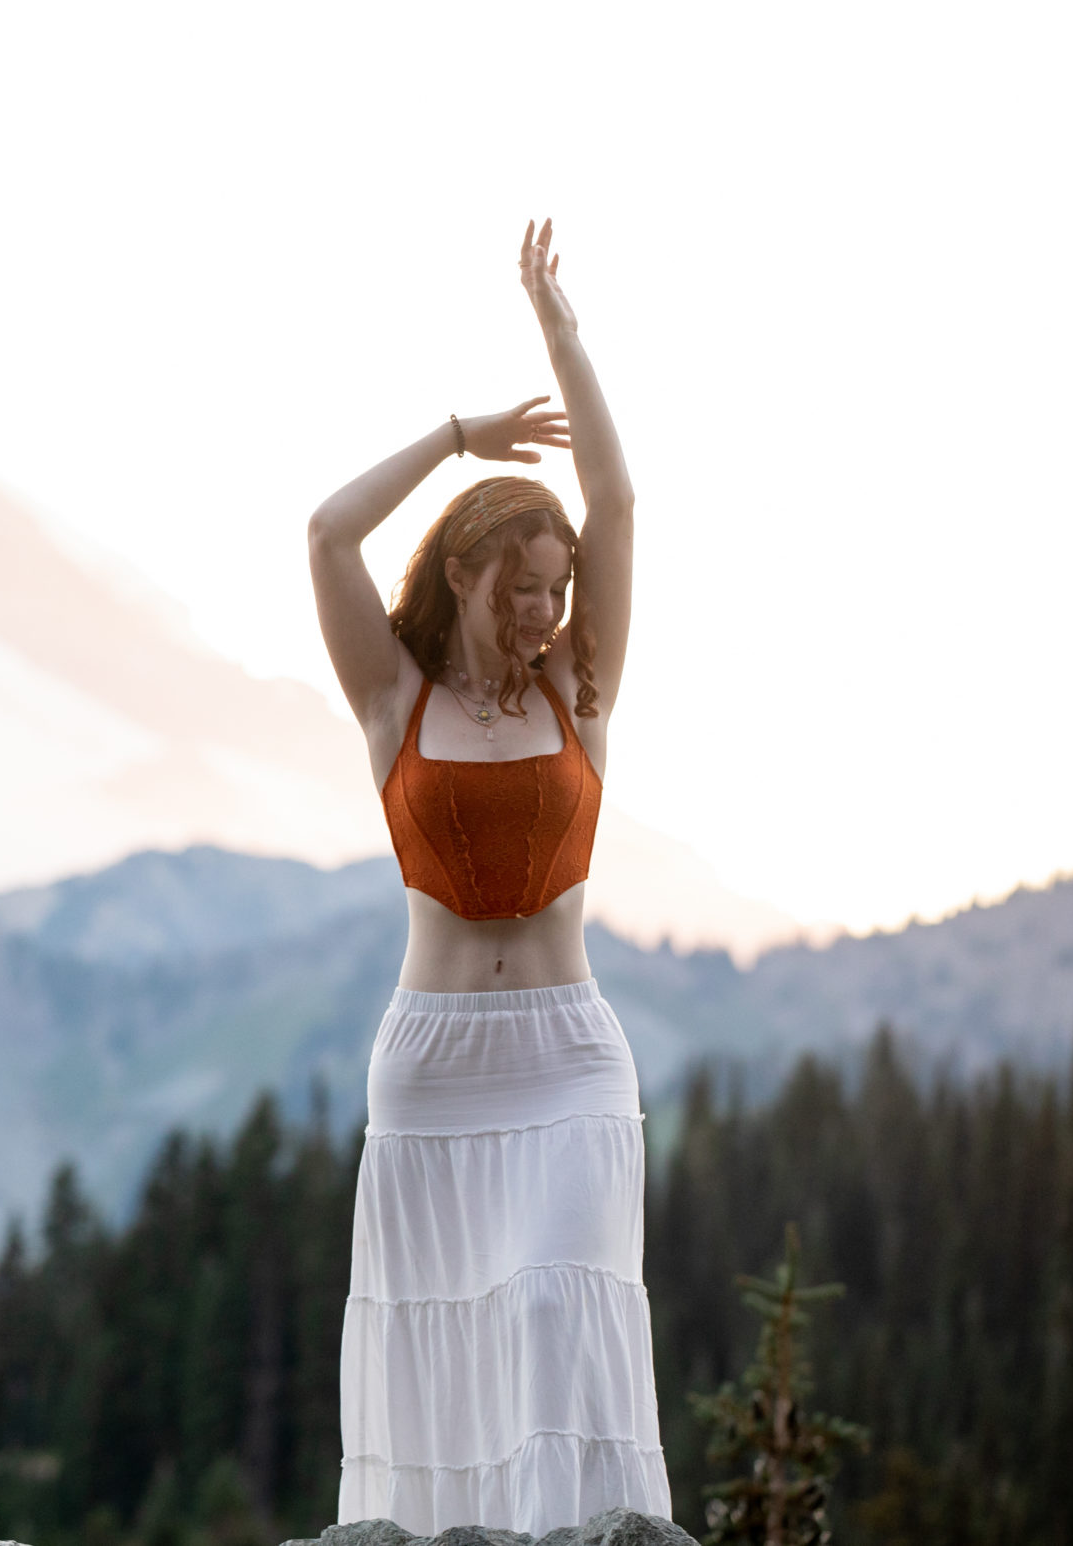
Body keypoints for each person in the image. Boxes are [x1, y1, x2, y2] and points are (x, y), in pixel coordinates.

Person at [304, 220, 667, 1534]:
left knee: (557, 1313)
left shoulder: (582, 689)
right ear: (465, 575)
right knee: (444, 1357)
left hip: (569, 1053)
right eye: (525, 588)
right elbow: (329, 531)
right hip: (434, 1061)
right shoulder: (394, 699)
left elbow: (620, 503)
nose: (549, 614)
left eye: (562, 588)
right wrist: (460, 434)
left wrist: (563, 340)